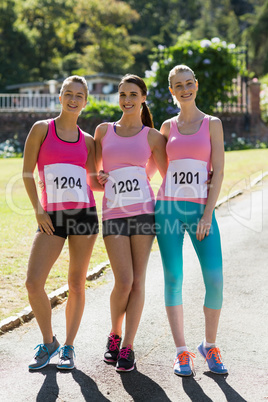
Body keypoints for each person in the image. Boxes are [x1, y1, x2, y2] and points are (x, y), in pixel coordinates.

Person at [23, 75, 101, 370]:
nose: (73, 99)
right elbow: (28, 172)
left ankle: (68, 347)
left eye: (78, 95)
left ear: (85, 101)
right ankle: (49, 341)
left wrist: (118, 177)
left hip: (84, 215)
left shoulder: (89, 141)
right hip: (51, 217)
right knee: (33, 282)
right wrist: (38, 209)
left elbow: (93, 180)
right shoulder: (42, 129)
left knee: (76, 282)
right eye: (68, 93)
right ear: (60, 97)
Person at [155, 65, 228, 376]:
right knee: (174, 279)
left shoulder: (212, 124)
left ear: (196, 85)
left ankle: (209, 345)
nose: (184, 89)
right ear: (171, 91)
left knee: (215, 281)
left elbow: (219, 171)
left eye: (188, 83)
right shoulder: (166, 127)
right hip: (167, 210)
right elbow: (162, 166)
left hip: (201, 212)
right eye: (178, 85)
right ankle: (181, 351)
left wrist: (207, 212)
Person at [94, 74, 167, 372]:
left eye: (133, 94)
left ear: (143, 97)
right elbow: (93, 175)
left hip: (143, 214)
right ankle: (115, 333)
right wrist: (98, 178)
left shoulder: (152, 137)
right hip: (112, 213)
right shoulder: (102, 131)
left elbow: (167, 176)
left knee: (138, 281)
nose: (126, 99)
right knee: (123, 281)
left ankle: (128, 347)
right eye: (122, 94)